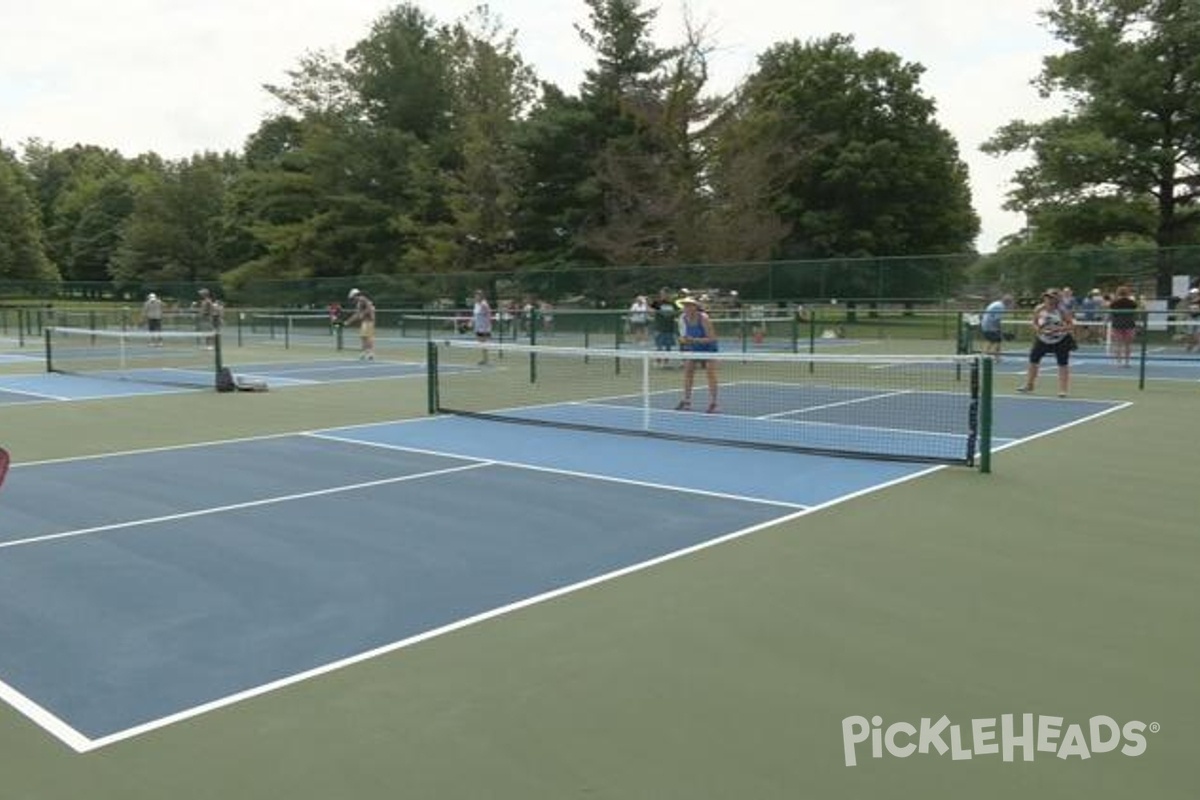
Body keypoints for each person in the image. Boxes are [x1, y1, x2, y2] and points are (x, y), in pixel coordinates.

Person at [1017, 288, 1075, 397]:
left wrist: (1058, 329)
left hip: (1060, 340)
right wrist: (1038, 329)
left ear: (1056, 299)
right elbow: (1034, 323)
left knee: (1063, 364)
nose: (1047, 299)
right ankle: (1029, 385)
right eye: (1046, 297)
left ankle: (1063, 390)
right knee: (1033, 360)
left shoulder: (1062, 310)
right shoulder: (1039, 309)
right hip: (1042, 339)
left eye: (1050, 297)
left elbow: (1071, 325)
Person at [675, 295, 720, 413]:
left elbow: (712, 338)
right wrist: (683, 340)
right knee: (688, 372)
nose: (686, 308)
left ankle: (714, 403)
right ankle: (687, 401)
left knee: (710, 373)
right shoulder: (682, 318)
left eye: (689, 305)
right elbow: (683, 337)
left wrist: (694, 340)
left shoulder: (704, 318)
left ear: (695, 307)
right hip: (694, 348)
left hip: (709, 348)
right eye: (685, 305)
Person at [1107, 284, 1139, 367]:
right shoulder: (1132, 303)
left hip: (1117, 324)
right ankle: (1127, 362)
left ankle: (1118, 362)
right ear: (1127, 293)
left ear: (1118, 293)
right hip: (1129, 324)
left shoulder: (1114, 303)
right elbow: (1135, 310)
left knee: (1118, 344)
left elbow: (1111, 312)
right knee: (1128, 345)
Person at [345, 288, 376, 360]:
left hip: (369, 320)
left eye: (353, 297)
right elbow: (357, 314)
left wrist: (363, 313)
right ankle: (364, 353)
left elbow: (370, 308)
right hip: (365, 321)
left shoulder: (363, 300)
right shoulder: (359, 302)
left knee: (368, 337)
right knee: (363, 337)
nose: (353, 299)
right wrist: (348, 321)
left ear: (356, 295)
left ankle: (370, 353)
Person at [649, 287, 678, 367]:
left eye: (666, 294)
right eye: (662, 294)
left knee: (668, 346)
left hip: (669, 327)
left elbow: (677, 312)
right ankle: (658, 361)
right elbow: (650, 311)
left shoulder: (672, 303)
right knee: (659, 345)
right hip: (659, 327)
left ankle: (666, 362)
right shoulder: (656, 302)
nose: (664, 295)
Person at [978, 293, 1012, 359]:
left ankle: (994, 356)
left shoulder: (997, 303)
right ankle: (992, 356)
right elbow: (996, 319)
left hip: (986, 324)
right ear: (1008, 302)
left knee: (992, 340)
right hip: (990, 326)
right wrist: (999, 329)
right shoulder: (1000, 307)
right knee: (996, 340)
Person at [473, 289, 493, 364]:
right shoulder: (476, 304)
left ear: (481, 296)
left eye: (478, 295)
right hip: (478, 327)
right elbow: (475, 316)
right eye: (476, 295)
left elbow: (488, 316)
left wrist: (486, 327)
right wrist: (469, 324)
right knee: (481, 343)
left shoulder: (484, 304)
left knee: (484, 343)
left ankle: (486, 359)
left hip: (484, 327)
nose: (476, 296)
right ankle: (484, 359)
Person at [1185, 287, 1200, 352]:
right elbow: (1187, 308)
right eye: (1191, 293)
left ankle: (1198, 345)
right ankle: (1189, 345)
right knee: (1190, 333)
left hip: (1198, 317)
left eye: (1194, 293)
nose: (1192, 294)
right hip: (1191, 317)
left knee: (1198, 333)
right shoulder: (1189, 300)